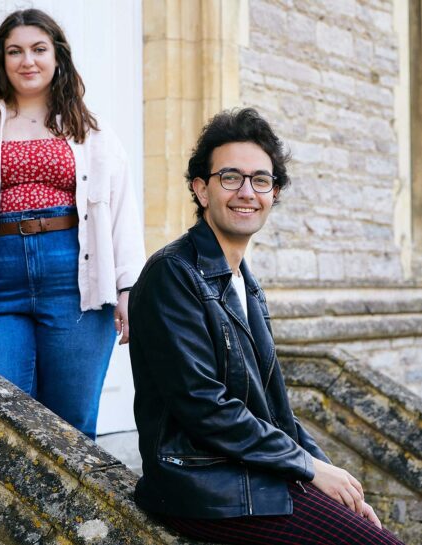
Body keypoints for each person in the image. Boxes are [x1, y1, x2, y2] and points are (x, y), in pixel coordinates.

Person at [128, 108, 404, 544]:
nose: (247, 192)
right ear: (201, 189)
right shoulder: (173, 273)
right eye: (231, 177)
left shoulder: (244, 283)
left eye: (261, 180)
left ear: (273, 193)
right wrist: (308, 468)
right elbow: (204, 405)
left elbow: (274, 410)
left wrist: (328, 473)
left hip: (248, 469)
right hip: (201, 483)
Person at [0, 9, 145, 440]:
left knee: (72, 426)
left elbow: (122, 217)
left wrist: (128, 291)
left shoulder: (93, 132)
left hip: (75, 279)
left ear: (57, 57)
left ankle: (69, 511)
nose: (27, 60)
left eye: (38, 49)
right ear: (1, 60)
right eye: (15, 51)